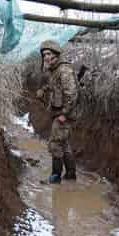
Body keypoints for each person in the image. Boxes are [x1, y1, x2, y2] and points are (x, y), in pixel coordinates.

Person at [36, 40, 79, 184]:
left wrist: (64, 114)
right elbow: (54, 84)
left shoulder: (64, 69)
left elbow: (72, 94)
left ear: (55, 54)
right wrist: (43, 90)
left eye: (48, 54)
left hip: (63, 114)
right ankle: (71, 175)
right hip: (59, 112)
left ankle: (55, 178)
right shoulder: (55, 70)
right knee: (64, 144)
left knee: (55, 144)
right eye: (44, 55)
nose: (46, 57)